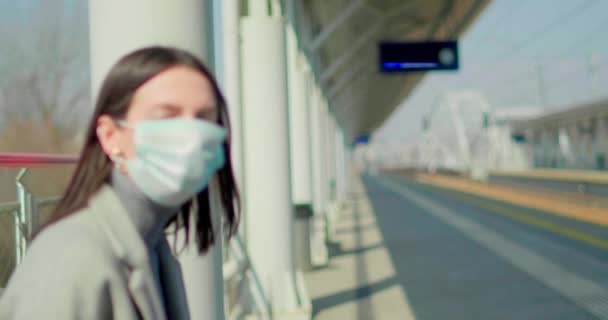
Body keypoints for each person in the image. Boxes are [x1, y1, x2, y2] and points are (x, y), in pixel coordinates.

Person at [0, 46, 240, 319]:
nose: (192, 136)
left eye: (203, 117)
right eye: (166, 115)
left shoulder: (153, 246)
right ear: (110, 136)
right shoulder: (71, 259)